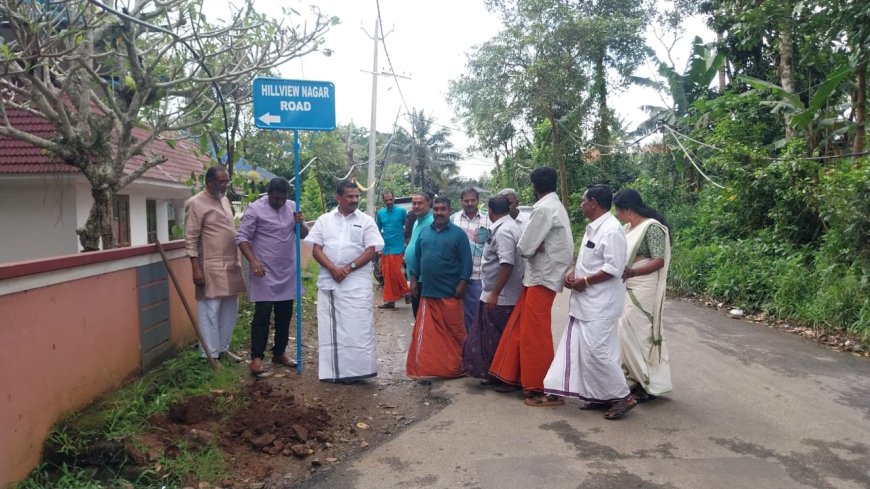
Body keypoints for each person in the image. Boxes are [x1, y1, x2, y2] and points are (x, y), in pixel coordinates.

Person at [543, 184, 635, 419]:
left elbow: (613, 268)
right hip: (586, 303)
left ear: (594, 203)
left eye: (584, 201)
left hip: (600, 304)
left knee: (599, 352)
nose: (581, 205)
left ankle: (624, 397)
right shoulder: (593, 228)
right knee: (588, 352)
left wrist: (585, 281)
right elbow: (588, 260)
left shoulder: (612, 230)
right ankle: (599, 396)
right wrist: (574, 273)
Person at [489, 167, 574, 401]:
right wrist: (535, 246)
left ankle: (540, 384)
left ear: (534, 187)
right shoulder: (555, 206)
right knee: (522, 327)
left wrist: (533, 247)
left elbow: (524, 248)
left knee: (534, 333)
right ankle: (517, 375)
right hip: (540, 276)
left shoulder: (545, 209)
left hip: (542, 277)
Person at [305, 180, 384, 383]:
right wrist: (333, 269)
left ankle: (358, 372)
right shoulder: (324, 220)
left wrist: (348, 268)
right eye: (350, 196)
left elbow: (371, 250)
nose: (355, 200)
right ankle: (334, 373)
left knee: (357, 327)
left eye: (357, 196)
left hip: (356, 284)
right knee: (331, 328)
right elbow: (316, 248)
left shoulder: (366, 221)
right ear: (338, 198)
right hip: (329, 283)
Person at [236, 177, 309, 375]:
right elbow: (242, 238)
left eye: (283, 198)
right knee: (263, 314)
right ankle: (257, 358)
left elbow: (303, 234)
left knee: (285, 315)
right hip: (264, 272)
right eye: (276, 198)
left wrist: (299, 223)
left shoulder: (293, 207)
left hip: (287, 271)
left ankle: (279, 353)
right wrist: (253, 261)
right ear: (268, 194)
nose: (279, 202)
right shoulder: (255, 209)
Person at [613, 188, 673, 402]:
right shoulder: (627, 227)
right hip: (627, 284)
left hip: (644, 285)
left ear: (628, 209)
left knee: (639, 331)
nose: (617, 215)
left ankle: (649, 383)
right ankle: (633, 379)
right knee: (622, 331)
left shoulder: (652, 228)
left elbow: (659, 260)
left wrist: (633, 272)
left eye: (618, 211)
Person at [406, 196, 472, 379]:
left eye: (443, 209)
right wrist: (413, 280)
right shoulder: (424, 232)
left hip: (451, 293)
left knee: (455, 333)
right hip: (428, 292)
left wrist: (462, 283)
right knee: (429, 335)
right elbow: (417, 259)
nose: (439, 212)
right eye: (436, 209)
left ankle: (459, 367)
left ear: (449, 210)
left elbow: (467, 262)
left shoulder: (458, 234)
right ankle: (433, 368)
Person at [184, 165, 246, 360]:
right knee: (209, 311)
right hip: (209, 266)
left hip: (231, 264)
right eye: (221, 181)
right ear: (208, 182)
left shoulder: (225, 199)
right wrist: (195, 268)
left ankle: (222, 348)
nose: (225, 185)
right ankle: (209, 356)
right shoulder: (196, 203)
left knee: (229, 309)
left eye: (226, 181)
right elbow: (191, 238)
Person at [462, 195, 524, 383]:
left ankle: (502, 376)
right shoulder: (505, 227)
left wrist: (495, 294)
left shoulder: (504, 231)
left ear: (490, 211)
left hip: (502, 296)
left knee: (496, 339)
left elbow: (507, 264)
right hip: (493, 292)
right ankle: (494, 373)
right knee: (487, 337)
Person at [451, 187, 491, 332]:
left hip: (478, 275)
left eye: (472, 200)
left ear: (478, 201)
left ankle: (474, 347)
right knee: (456, 315)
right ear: (461, 202)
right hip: (457, 275)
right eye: (466, 200)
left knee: (475, 314)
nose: (469, 203)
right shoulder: (453, 219)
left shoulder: (488, 219)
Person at [375, 191, 409, 309]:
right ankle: (390, 301)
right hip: (386, 247)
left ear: (394, 199)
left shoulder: (401, 212)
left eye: (391, 199)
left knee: (395, 271)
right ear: (384, 201)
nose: (389, 202)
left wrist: (406, 242)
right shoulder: (380, 213)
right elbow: (377, 230)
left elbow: (407, 227)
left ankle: (406, 291)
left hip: (398, 246)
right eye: (386, 200)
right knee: (387, 274)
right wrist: (378, 246)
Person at [404, 191, 434, 318]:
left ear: (429, 203)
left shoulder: (432, 222)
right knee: (418, 315)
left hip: (424, 279)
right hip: (415, 277)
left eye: (420, 203)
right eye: (414, 203)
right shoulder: (417, 220)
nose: (416, 206)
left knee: (424, 316)